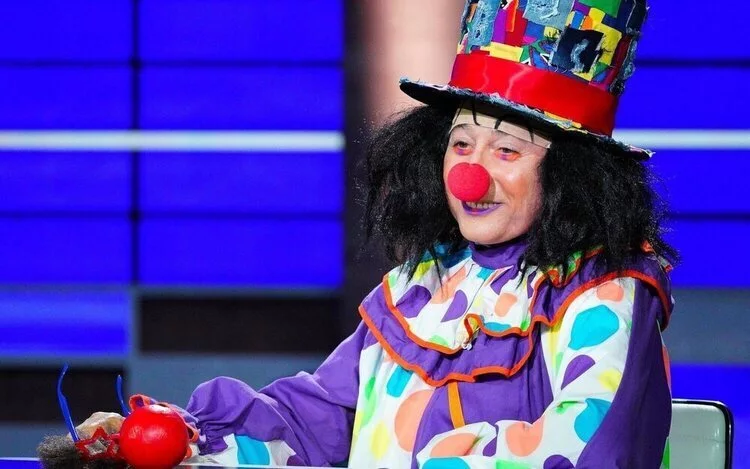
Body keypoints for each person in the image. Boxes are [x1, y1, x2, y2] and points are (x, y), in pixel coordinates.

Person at [66, 0, 677, 467]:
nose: (469, 173)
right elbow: (320, 420)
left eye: (507, 150)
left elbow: (596, 446)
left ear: (572, 175)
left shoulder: (604, 288)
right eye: (461, 143)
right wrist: (188, 441)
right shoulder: (421, 283)